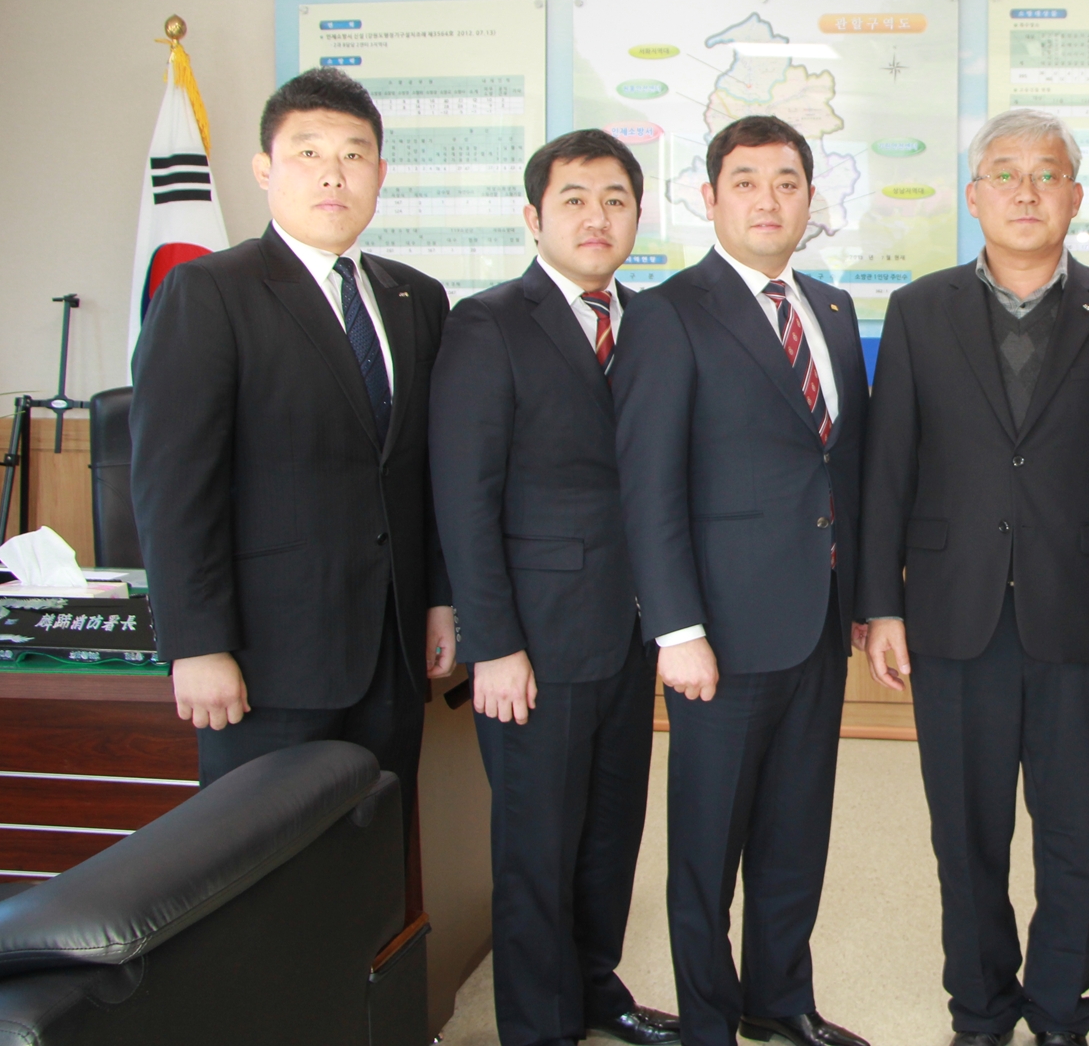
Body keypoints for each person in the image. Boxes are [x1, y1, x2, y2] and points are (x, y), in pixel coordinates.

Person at [858, 108, 1089, 1046]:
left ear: (1075, 195)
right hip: (953, 614)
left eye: (1046, 174)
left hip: (1084, 613)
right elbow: (888, 468)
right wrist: (881, 604)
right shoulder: (919, 309)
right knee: (966, 836)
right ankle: (982, 1007)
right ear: (973, 195)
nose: (1025, 191)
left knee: (1074, 835)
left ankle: (1060, 1008)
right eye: (1005, 173)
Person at [132, 66, 456, 826]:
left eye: (353, 154)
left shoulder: (417, 297)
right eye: (308, 153)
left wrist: (440, 599)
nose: (333, 174)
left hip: (392, 652)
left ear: (380, 174)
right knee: (262, 866)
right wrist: (197, 644)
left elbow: (425, 471)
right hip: (267, 662)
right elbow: (174, 486)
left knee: (375, 855)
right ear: (265, 169)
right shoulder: (210, 292)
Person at [612, 115, 873, 1046]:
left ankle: (779, 998)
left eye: (788, 181)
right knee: (707, 844)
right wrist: (676, 628)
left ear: (810, 197)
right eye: (747, 181)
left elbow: (842, 465)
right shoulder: (668, 312)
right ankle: (709, 1020)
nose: (769, 199)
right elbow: (648, 484)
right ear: (710, 196)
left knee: (797, 829)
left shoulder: (832, 308)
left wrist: (864, 599)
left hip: (819, 619)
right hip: (718, 633)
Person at [429, 128, 679, 1046]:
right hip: (533, 638)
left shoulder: (653, 320)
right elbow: (465, 496)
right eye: (573, 198)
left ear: (638, 216)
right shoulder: (488, 322)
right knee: (536, 848)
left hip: (632, 630)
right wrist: (493, 643)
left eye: (615, 199)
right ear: (532, 217)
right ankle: (538, 1026)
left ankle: (595, 991)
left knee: (611, 833)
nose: (596, 216)